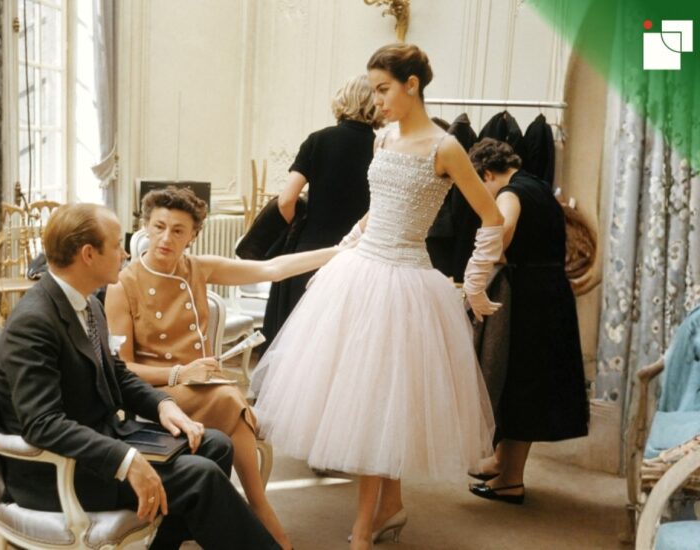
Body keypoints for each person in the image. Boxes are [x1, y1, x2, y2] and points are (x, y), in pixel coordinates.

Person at [251, 43, 505, 550]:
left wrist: (475, 285)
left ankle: (364, 530)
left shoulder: (446, 147)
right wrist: (342, 251)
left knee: (380, 404)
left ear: (412, 85)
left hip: (407, 280)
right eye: (373, 90)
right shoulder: (382, 138)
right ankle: (390, 507)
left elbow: (492, 218)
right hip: (361, 270)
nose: (377, 100)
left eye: (384, 89)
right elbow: (377, 209)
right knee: (375, 403)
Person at [0, 203, 280, 549]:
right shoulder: (34, 322)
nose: (125, 253)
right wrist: (126, 460)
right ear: (88, 254)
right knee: (200, 477)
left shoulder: (88, 303)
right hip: (61, 472)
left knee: (216, 445)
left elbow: (116, 372)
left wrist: (163, 405)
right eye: (117, 245)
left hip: (100, 440)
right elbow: (43, 424)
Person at [105, 186, 343, 549]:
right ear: (146, 227)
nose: (166, 238)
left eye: (178, 231)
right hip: (155, 394)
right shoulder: (124, 285)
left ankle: (238, 511)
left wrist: (340, 252)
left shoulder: (197, 268)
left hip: (202, 386)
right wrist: (179, 373)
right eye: (159, 227)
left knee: (228, 397)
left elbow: (272, 269)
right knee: (231, 399)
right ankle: (260, 509)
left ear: (192, 236)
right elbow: (122, 368)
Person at [466, 138, 589, 504]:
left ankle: (507, 477)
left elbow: (500, 238)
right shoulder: (538, 185)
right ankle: (505, 471)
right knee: (528, 387)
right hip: (551, 293)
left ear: (487, 174)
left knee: (517, 384)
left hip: (527, 298)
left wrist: (478, 271)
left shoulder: (509, 194)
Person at [263, 74, 381, 346]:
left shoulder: (318, 140)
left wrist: (296, 226)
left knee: (296, 341)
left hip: (310, 250)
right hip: (358, 255)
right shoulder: (381, 147)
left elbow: (286, 200)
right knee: (340, 343)